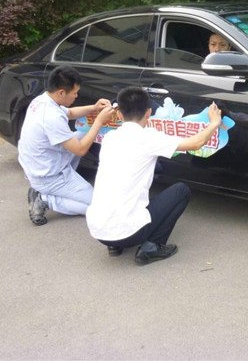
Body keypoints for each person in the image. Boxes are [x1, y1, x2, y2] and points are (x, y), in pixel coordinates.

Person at [86, 86, 222, 265]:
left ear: (119, 114)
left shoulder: (110, 138)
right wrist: (214, 123)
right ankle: (151, 248)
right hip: (127, 233)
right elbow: (196, 143)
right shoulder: (149, 137)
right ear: (149, 112)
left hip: (98, 230)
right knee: (181, 191)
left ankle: (114, 245)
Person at [18, 65, 115, 226]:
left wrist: (94, 107)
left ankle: (60, 188)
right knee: (101, 207)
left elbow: (69, 113)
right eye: (75, 93)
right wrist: (99, 121)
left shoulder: (43, 100)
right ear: (61, 92)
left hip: (41, 163)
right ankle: (45, 199)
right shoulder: (51, 116)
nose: (76, 96)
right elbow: (80, 150)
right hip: (49, 176)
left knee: (81, 133)